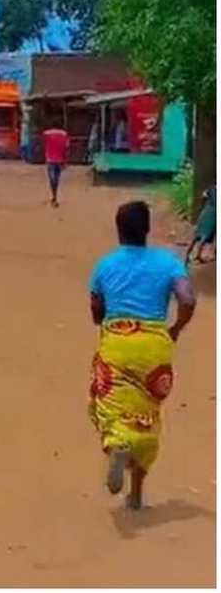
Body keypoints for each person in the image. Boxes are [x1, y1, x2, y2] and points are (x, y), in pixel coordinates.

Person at [89, 201, 196, 510]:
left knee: (106, 406)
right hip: (154, 346)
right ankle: (136, 494)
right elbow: (187, 298)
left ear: (118, 230)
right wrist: (175, 328)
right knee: (147, 415)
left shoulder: (105, 266)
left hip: (117, 343)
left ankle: (116, 447)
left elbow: (96, 310)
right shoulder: (168, 262)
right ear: (147, 230)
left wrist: (106, 317)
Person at [186, 187, 217, 264]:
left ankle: (189, 255)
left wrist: (204, 206)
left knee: (197, 235)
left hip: (206, 211)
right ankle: (197, 255)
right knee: (205, 235)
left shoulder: (210, 189)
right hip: (213, 214)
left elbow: (203, 197)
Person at [43, 122, 69, 207]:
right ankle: (55, 196)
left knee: (51, 178)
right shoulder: (64, 134)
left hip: (50, 159)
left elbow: (43, 143)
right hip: (60, 159)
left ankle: (54, 196)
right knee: (57, 179)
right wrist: (65, 161)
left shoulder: (47, 133)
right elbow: (66, 148)